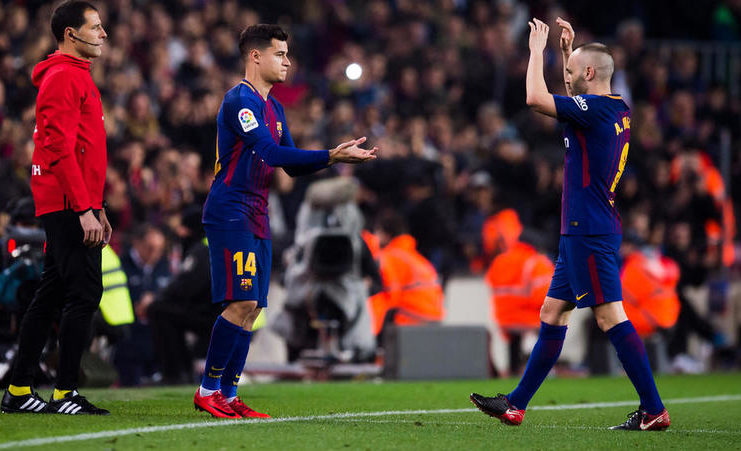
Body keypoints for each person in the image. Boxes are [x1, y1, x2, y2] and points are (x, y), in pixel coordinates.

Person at [469, 18, 671, 431]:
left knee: (609, 316)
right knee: (552, 312)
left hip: (587, 230)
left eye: (574, 69)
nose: (568, 75)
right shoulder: (616, 109)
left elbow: (535, 98)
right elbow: (573, 95)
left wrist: (535, 50)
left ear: (590, 73)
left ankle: (653, 409)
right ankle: (515, 405)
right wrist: (567, 53)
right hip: (586, 226)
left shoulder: (593, 111)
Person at [193, 24, 377, 419]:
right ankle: (208, 389)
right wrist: (330, 155)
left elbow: (290, 166)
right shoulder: (239, 101)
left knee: (253, 309)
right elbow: (271, 154)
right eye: (280, 54)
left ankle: (229, 395)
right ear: (255, 56)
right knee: (241, 301)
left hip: (259, 214)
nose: (288, 62)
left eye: (287, 54)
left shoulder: (274, 109)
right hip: (231, 210)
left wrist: (332, 159)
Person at [1, 1, 110, 415]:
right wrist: (83, 208)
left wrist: (97, 206)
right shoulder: (64, 77)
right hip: (67, 203)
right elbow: (58, 149)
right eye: (95, 27)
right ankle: (64, 392)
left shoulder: (75, 75)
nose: (103, 34)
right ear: (70, 33)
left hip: (74, 201)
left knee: (52, 294)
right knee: (85, 293)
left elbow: (82, 151)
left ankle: (19, 389)